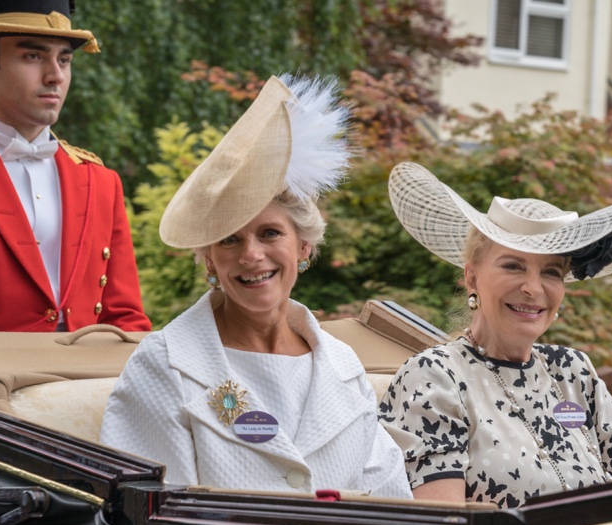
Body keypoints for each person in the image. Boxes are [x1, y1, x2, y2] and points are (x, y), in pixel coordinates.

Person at [101, 74, 412, 499]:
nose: (250, 255)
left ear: (303, 247)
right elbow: (158, 522)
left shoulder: (343, 367)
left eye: (269, 234)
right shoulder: (164, 365)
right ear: (209, 258)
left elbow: (393, 503)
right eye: (229, 238)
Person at [379, 162, 612, 507]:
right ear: (472, 278)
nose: (533, 289)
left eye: (551, 272)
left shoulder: (573, 371)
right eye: (513, 266)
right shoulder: (434, 377)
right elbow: (445, 524)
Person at [0, 0, 150, 332]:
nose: (55, 76)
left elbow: (124, 318)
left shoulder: (101, 180)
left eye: (64, 60)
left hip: (84, 377)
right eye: (33, 56)